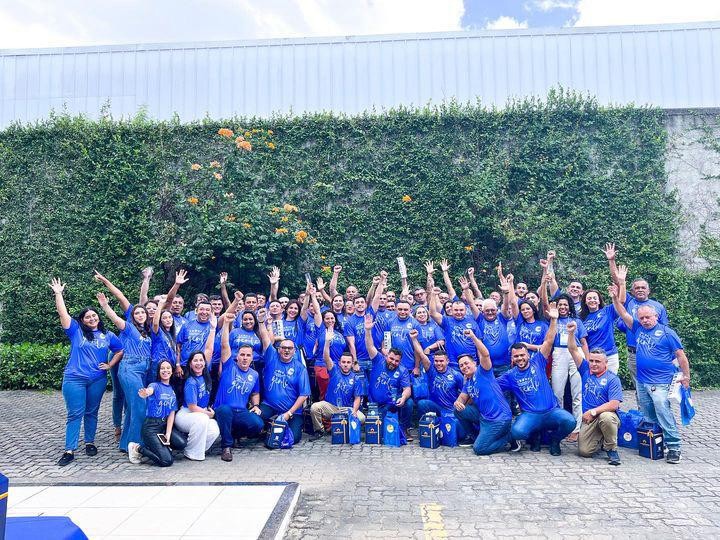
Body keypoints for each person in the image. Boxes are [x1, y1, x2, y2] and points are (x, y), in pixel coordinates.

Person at [611, 284, 690, 464]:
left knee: (662, 411)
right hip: (642, 381)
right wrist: (615, 298)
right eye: (642, 318)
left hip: (661, 381)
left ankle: (674, 447)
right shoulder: (637, 328)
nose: (645, 320)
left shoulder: (667, 333)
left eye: (648, 317)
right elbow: (623, 313)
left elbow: (681, 356)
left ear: (656, 316)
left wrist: (686, 377)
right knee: (648, 414)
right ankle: (656, 442)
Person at [50, 278, 124, 467]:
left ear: (98, 317)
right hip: (74, 379)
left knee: (91, 412)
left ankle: (90, 442)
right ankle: (69, 450)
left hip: (97, 380)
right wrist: (58, 294)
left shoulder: (108, 335)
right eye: (87, 317)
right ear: (82, 320)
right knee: (75, 413)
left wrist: (110, 364)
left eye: (94, 315)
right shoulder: (76, 331)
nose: (92, 318)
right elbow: (63, 313)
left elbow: (119, 350)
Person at [496, 304, 576, 456]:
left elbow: (549, 341)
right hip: (530, 415)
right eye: (516, 356)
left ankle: (555, 440)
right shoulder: (510, 375)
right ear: (512, 358)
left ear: (528, 354)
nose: (520, 358)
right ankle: (535, 435)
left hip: (551, 411)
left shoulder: (538, 361)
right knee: (517, 432)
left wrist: (554, 320)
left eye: (522, 355)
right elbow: (492, 386)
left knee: (570, 422)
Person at [94, 272, 153, 458]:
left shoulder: (148, 331)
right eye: (137, 313)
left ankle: (126, 443)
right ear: (132, 316)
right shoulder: (128, 328)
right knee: (140, 405)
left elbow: (145, 299)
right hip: (129, 369)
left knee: (133, 406)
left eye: (143, 312)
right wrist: (105, 305)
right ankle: (136, 446)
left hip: (143, 370)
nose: (140, 314)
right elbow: (116, 312)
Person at [604, 242, 670, 387]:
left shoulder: (659, 307)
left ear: (648, 290)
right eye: (637, 288)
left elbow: (665, 331)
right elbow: (618, 281)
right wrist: (612, 260)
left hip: (654, 351)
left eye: (643, 288)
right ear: (632, 291)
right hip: (634, 352)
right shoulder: (628, 301)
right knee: (639, 387)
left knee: (656, 385)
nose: (640, 290)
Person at [566, 322, 623, 465]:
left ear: (606, 363)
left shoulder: (612, 379)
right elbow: (572, 349)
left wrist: (593, 412)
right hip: (590, 420)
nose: (594, 364)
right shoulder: (585, 369)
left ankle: (611, 449)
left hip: (605, 415)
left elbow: (614, 404)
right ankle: (601, 438)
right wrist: (571, 333)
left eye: (598, 361)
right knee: (584, 452)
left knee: (606, 418)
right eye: (591, 360)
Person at [454, 329, 514, 455]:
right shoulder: (468, 382)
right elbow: (462, 398)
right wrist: (457, 403)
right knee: (458, 410)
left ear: (474, 363)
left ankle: (510, 436)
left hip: (499, 418)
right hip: (484, 416)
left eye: (466, 363)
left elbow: (485, 355)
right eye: (461, 365)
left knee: (479, 449)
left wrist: (473, 337)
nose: (464, 367)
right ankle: (474, 436)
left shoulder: (483, 372)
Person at [214, 312, 264, 462]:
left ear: (252, 357)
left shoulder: (254, 374)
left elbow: (255, 393)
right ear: (237, 356)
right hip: (223, 409)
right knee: (224, 410)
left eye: (248, 355)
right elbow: (224, 345)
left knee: (258, 424)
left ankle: (235, 434)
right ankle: (226, 447)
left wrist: (256, 405)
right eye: (242, 355)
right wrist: (226, 324)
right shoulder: (229, 366)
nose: (245, 358)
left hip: (240, 411)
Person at [257, 309, 311, 443]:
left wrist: (289, 413)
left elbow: (304, 395)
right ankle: (267, 427)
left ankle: (274, 427)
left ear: (294, 351)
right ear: (278, 349)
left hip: (292, 411)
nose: (286, 350)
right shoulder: (272, 356)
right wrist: (261, 322)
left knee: (295, 437)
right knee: (254, 421)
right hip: (269, 405)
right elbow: (265, 339)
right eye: (284, 348)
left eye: (290, 348)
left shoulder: (300, 368)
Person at [308, 328, 366, 440]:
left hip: (347, 409)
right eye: (343, 362)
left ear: (352, 364)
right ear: (339, 363)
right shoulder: (333, 370)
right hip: (331, 407)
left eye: (348, 362)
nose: (346, 364)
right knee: (315, 407)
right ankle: (319, 431)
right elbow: (326, 357)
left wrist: (354, 411)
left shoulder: (356, 378)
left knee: (362, 418)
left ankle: (341, 426)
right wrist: (327, 342)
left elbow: (357, 398)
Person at [363, 314, 414, 440]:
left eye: (396, 361)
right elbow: (370, 346)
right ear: (386, 356)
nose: (393, 362)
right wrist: (368, 330)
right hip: (375, 405)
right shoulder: (378, 360)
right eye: (391, 358)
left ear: (400, 361)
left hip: (392, 403)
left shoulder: (403, 370)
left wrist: (403, 397)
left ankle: (404, 428)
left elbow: (407, 389)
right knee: (378, 433)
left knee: (409, 403)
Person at [131, 360, 187, 466]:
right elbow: (149, 390)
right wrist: (146, 393)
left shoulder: (172, 390)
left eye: (168, 368)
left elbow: (171, 413)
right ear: (158, 371)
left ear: (172, 371)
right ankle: (137, 448)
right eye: (162, 368)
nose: (165, 370)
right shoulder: (155, 385)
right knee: (167, 461)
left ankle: (161, 448)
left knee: (182, 443)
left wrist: (168, 434)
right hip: (151, 427)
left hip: (163, 426)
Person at [173, 343, 221, 461]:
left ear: (205, 363)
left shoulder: (205, 376)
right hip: (186, 414)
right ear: (190, 364)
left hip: (199, 414)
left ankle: (193, 448)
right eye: (195, 361)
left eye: (201, 360)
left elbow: (209, 349)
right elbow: (192, 407)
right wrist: (208, 414)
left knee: (214, 429)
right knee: (203, 419)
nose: (198, 363)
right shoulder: (191, 382)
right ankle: (192, 453)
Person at [409, 330, 464, 429]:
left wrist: (460, 405)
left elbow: (465, 392)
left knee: (455, 432)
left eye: (441, 361)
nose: (438, 363)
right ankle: (424, 429)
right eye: (436, 361)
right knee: (422, 404)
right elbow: (421, 354)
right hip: (435, 406)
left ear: (447, 361)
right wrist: (414, 339)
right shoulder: (431, 370)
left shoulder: (456, 375)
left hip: (451, 410)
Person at [579, 262, 628, 374]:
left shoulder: (607, 311)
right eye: (589, 298)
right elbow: (582, 341)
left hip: (609, 355)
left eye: (594, 298)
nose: (592, 300)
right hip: (593, 358)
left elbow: (622, 302)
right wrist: (587, 358)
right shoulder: (581, 318)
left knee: (610, 381)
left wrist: (622, 283)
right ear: (585, 302)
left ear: (599, 300)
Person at [429, 285, 480, 369]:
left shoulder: (472, 321)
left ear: (466, 310)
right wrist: (433, 295)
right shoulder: (447, 321)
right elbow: (432, 313)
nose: (458, 312)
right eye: (456, 310)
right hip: (453, 364)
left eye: (461, 310)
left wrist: (480, 362)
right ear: (451, 311)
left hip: (471, 362)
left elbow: (479, 344)